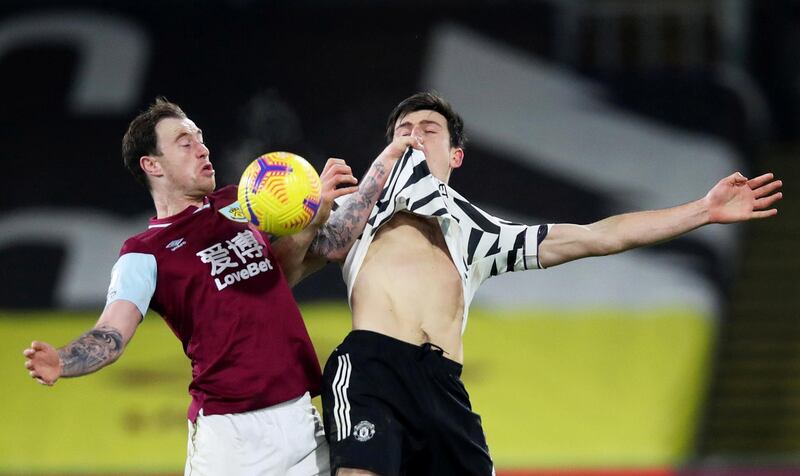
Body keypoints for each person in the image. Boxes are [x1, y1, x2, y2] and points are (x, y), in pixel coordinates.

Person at [317, 92, 784, 476]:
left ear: (455, 155)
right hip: (373, 365)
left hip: (442, 386)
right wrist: (323, 201)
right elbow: (319, 248)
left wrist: (703, 210)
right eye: (404, 131)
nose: (414, 136)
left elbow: (599, 236)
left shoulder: (481, 233)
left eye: (428, 130)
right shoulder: (358, 214)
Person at [22, 98, 421, 476]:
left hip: (300, 420)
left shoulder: (242, 203)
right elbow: (111, 332)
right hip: (233, 439)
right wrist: (63, 360)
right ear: (152, 165)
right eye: (184, 142)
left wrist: (370, 173)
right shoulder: (143, 254)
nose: (202, 148)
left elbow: (305, 259)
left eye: (199, 138)